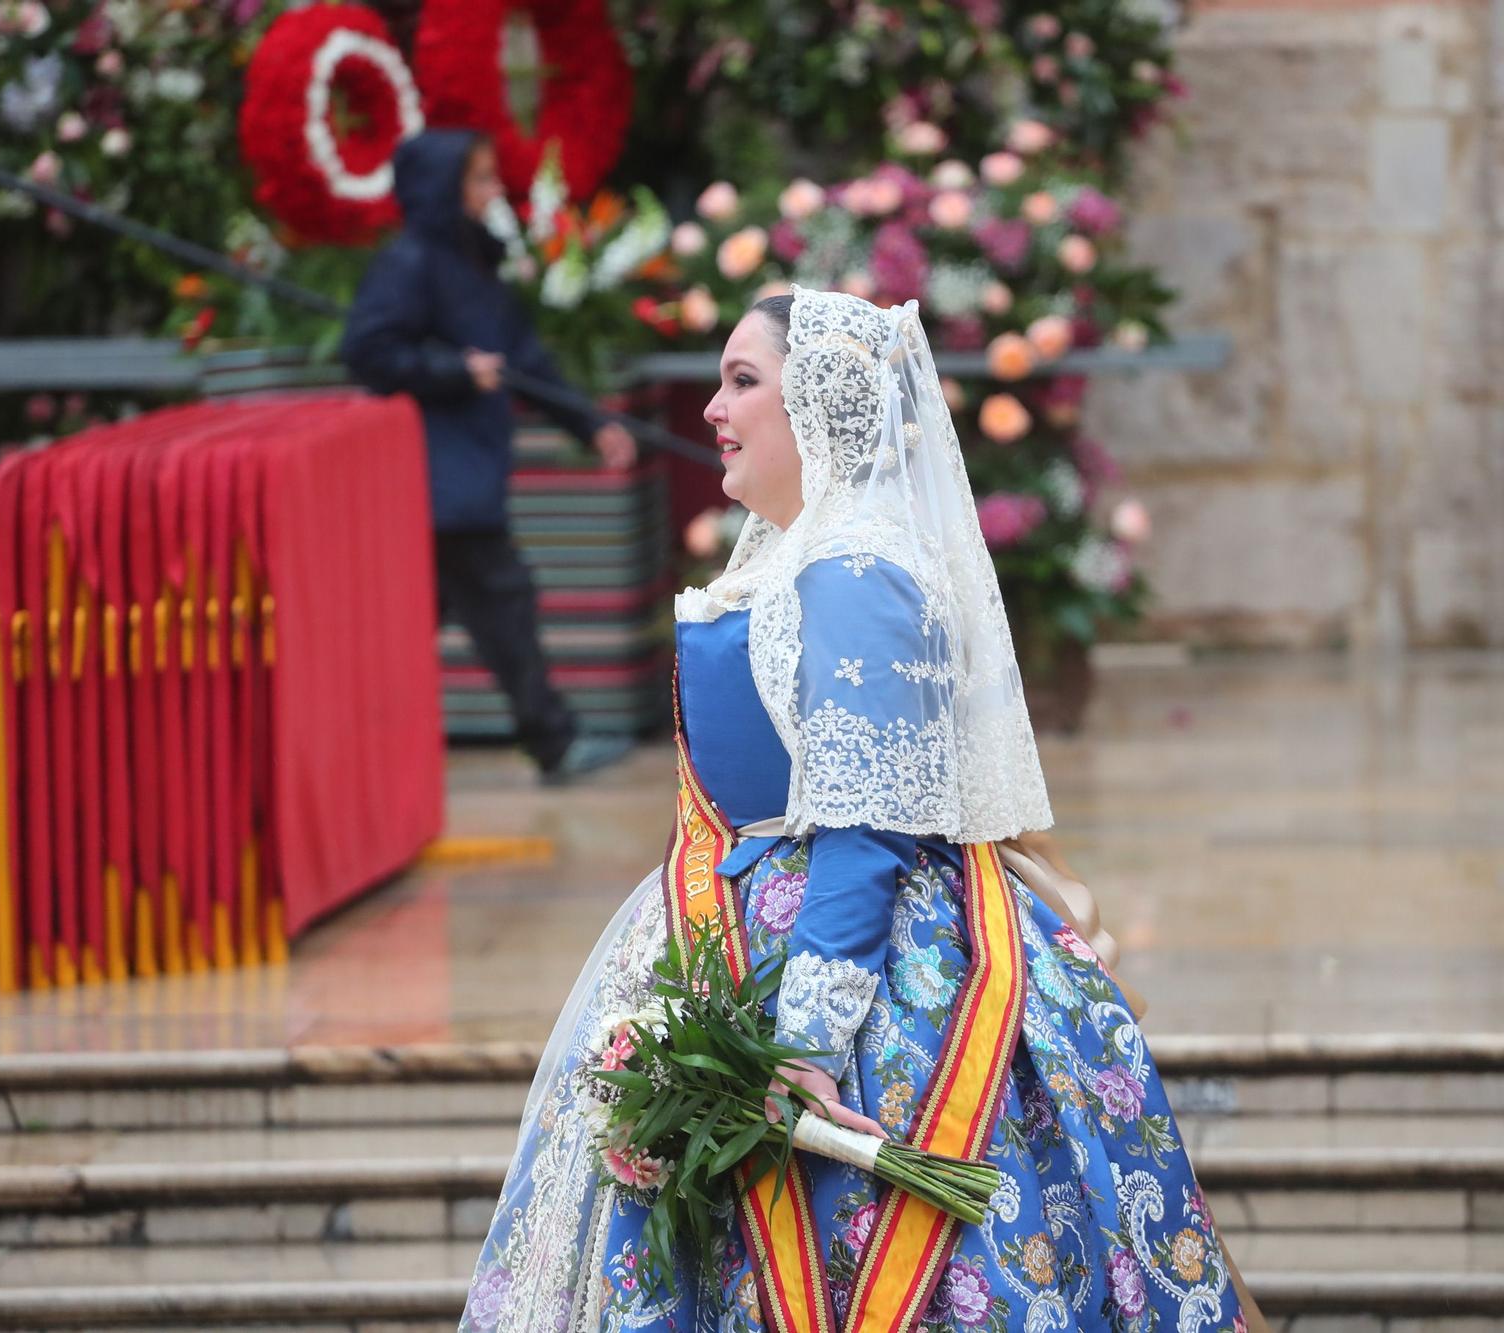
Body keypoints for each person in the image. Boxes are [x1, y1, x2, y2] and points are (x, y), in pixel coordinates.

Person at [461, 287, 1261, 1331]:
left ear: (822, 407)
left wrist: (798, 1045)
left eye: (740, 380)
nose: (712, 407)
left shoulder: (854, 569)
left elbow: (865, 825)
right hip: (748, 931)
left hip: (855, 980)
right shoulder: (798, 555)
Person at [343, 130, 639, 784]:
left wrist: (589, 424)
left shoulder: (476, 260)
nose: (490, 192)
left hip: (466, 471)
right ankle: (551, 742)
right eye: (477, 180)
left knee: (432, 618)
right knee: (497, 604)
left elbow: (524, 361)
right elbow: (368, 349)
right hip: (432, 475)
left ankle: (353, 753)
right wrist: (451, 369)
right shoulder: (410, 262)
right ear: (441, 189)